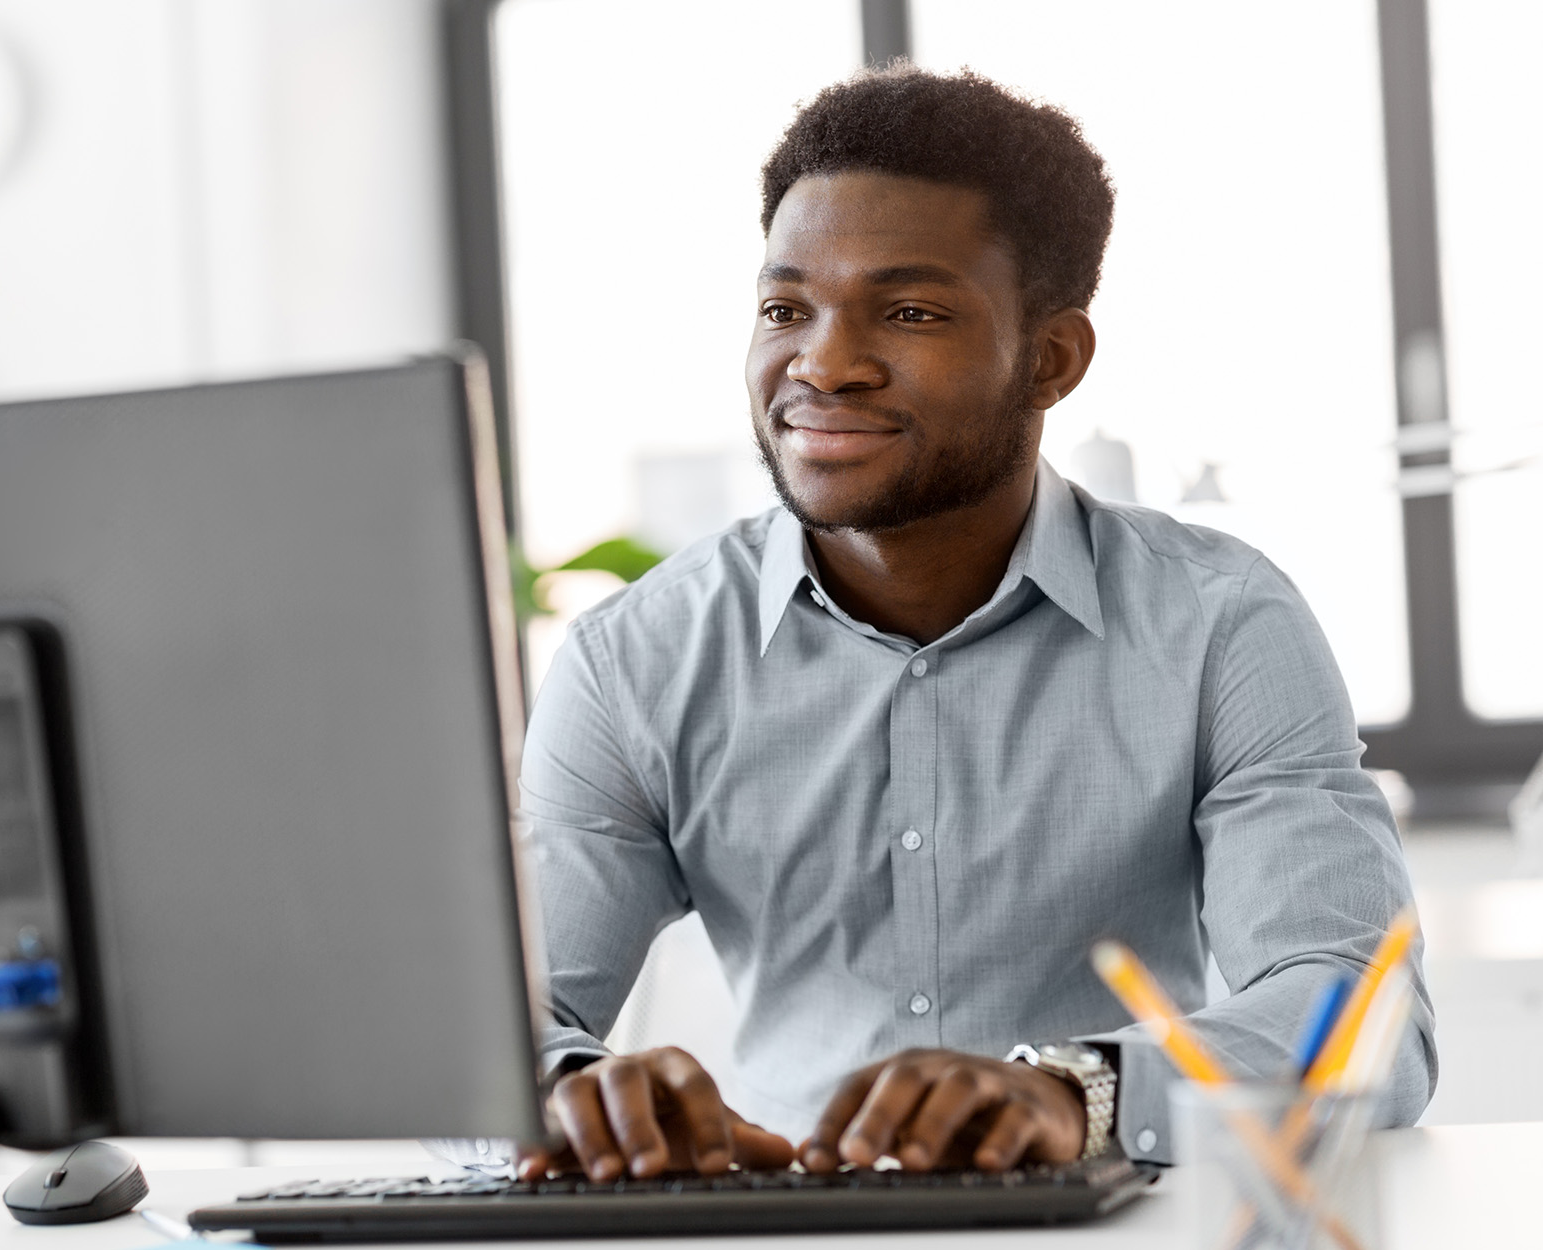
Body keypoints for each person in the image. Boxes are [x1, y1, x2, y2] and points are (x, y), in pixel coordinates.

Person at [513, 64, 1433, 1182]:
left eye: (908, 311)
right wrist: (569, 1091)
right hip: (791, 1226)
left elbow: (1360, 1019)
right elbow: (503, 1021)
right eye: (783, 307)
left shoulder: (1219, 624)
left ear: (1049, 359)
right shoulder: (633, 661)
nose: (822, 363)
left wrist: (1073, 1090)